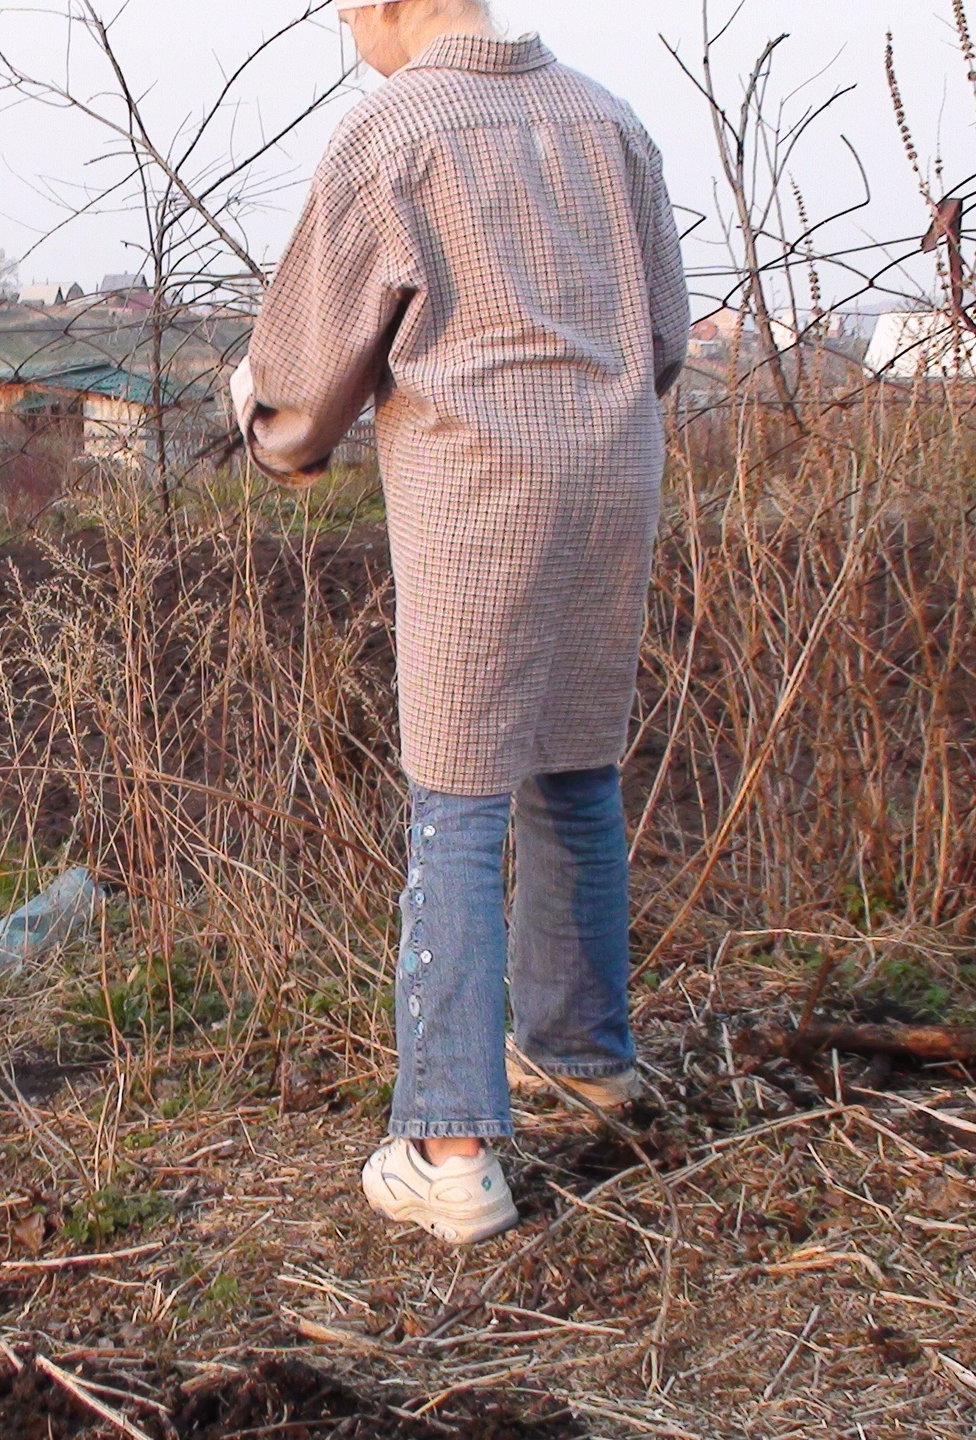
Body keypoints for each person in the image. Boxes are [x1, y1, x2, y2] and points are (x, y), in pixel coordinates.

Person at [233, 0, 689, 1244]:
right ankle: (587, 1060)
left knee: (458, 793)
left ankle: (447, 1144)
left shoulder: (392, 130)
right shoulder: (608, 120)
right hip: (611, 470)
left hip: (481, 488)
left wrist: (279, 435)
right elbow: (662, 338)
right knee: (574, 760)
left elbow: (301, 374)